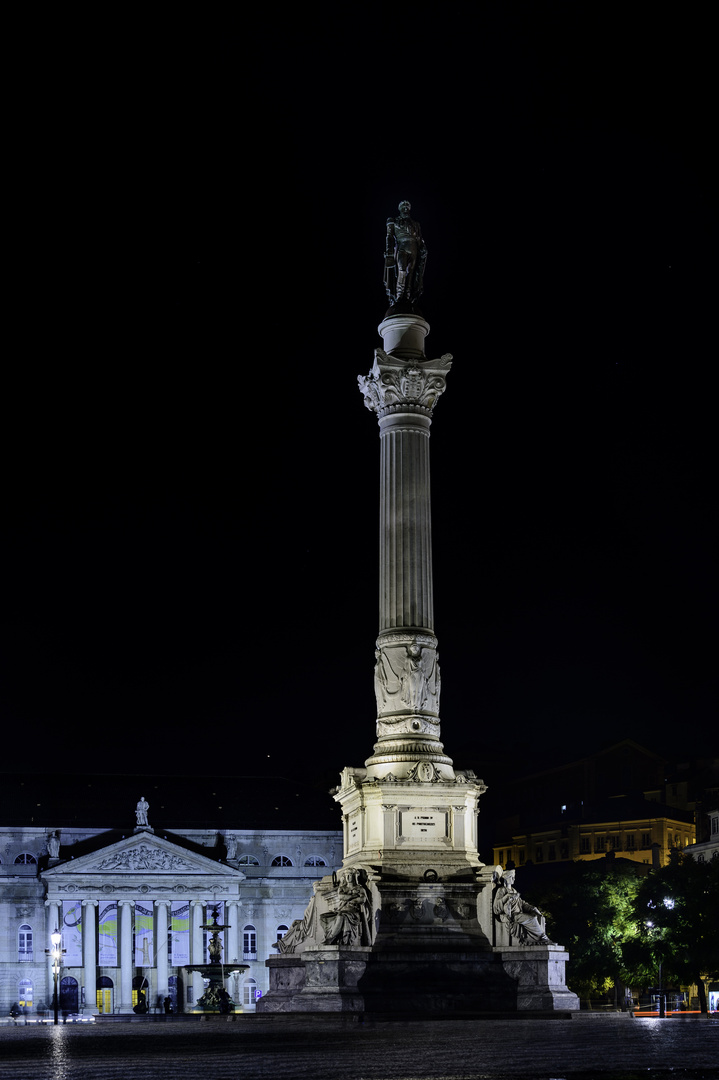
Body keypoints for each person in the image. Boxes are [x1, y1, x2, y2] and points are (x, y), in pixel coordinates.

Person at [493, 866, 553, 945]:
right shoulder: (501, 890)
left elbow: (522, 903)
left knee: (539, 917)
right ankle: (543, 938)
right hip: (509, 915)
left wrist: (533, 908)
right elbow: (496, 908)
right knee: (532, 919)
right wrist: (507, 896)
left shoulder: (514, 890)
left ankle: (533, 939)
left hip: (518, 914)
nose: (513, 879)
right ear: (506, 878)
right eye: (512, 877)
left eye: (514, 877)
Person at [384, 200, 427, 307]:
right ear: (400, 209)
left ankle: (407, 296)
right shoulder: (393, 221)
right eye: (403, 206)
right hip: (402, 247)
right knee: (401, 270)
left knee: (410, 273)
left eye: (407, 206)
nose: (406, 208)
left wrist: (423, 248)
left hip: (413, 249)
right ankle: (399, 295)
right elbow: (389, 237)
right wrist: (389, 252)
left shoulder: (416, 224)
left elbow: (420, 239)